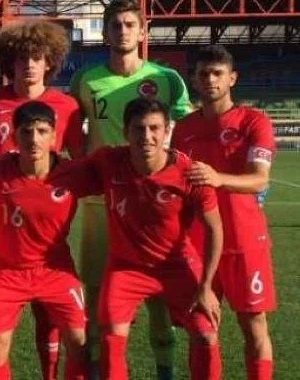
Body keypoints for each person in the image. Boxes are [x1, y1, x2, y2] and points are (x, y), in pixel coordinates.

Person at [69, 0, 193, 379]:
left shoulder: (166, 79)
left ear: (142, 31)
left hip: (154, 201)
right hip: (101, 201)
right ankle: (96, 367)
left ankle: (165, 370)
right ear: (105, 33)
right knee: (95, 293)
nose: (122, 31)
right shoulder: (86, 80)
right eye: (115, 25)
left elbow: (188, 133)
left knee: (159, 296)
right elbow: (71, 131)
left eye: (129, 24)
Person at [0, 20, 83, 379]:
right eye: (21, 58)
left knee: (51, 317)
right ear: (8, 63)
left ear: (50, 62)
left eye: (36, 57)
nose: (28, 65)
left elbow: (79, 159)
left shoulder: (66, 106)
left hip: (44, 219)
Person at [83, 98, 223, 380]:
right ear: (126, 132)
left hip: (177, 264)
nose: (146, 136)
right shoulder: (108, 161)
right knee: (111, 337)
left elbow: (215, 229)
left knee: (207, 336)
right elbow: (65, 175)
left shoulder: (190, 173)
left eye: (154, 128)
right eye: (139, 128)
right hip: (126, 267)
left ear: (167, 130)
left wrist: (206, 287)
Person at [172, 44, 276, 380]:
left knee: (254, 326)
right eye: (204, 74)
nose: (210, 80)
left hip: (244, 242)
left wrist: (218, 178)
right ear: (195, 80)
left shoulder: (254, 121)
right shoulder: (183, 129)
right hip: (198, 245)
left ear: (232, 78)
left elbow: (260, 179)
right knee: (201, 329)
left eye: (218, 73)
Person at [0, 101, 88, 379]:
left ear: (54, 136)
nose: (34, 139)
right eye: (26, 132)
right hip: (7, 272)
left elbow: (121, 171)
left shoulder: (73, 173)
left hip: (55, 270)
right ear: (14, 136)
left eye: (42, 131)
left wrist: (174, 160)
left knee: (79, 342)